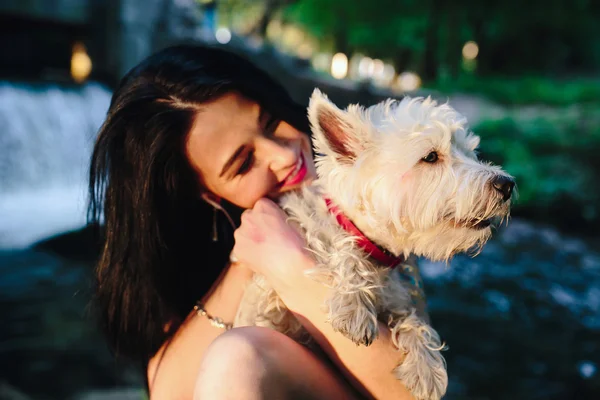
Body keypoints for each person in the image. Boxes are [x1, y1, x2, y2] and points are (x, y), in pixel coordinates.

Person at [88, 44, 428, 399]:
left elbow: (413, 393)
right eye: (244, 162)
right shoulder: (191, 258)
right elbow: (168, 393)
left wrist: (293, 269)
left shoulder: (371, 195)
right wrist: (248, 260)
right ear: (209, 194)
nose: (283, 154)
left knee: (239, 355)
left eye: (269, 122)